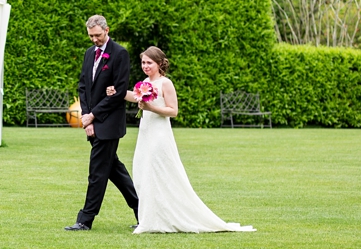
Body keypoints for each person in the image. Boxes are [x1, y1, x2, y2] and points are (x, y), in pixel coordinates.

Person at [107, 46, 256, 233]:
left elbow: (173, 111)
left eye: (149, 62)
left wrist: (151, 108)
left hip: (159, 135)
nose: (145, 66)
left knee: (158, 172)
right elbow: (135, 97)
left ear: (160, 63)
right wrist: (118, 92)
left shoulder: (165, 83)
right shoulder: (145, 82)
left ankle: (163, 219)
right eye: (143, 62)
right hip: (145, 134)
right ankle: (149, 219)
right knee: (143, 173)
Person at [64, 15, 139, 231]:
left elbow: (119, 92)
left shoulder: (120, 53)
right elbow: (83, 86)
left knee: (97, 172)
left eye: (98, 35)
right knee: (115, 171)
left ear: (107, 30)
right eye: (91, 36)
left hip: (109, 123)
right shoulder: (89, 54)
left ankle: (84, 220)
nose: (95, 40)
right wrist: (86, 118)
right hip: (92, 123)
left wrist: (93, 115)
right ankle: (143, 211)